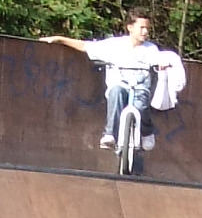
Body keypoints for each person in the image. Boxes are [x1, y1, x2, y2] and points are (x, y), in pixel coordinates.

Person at [42, 11, 176, 153]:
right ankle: (110, 134)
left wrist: (163, 65)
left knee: (140, 106)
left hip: (139, 88)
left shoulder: (151, 49)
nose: (145, 32)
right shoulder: (115, 45)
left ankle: (147, 131)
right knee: (116, 92)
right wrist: (59, 39)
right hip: (120, 84)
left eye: (147, 28)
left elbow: (160, 60)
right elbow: (85, 46)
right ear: (130, 27)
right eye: (141, 28)